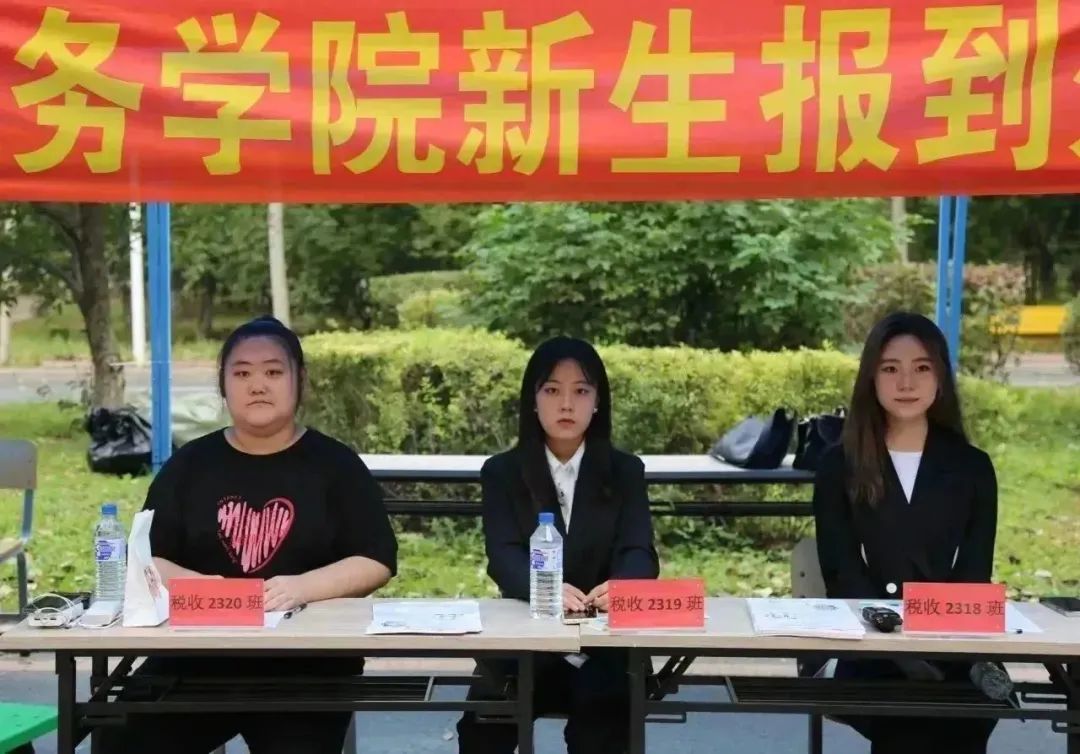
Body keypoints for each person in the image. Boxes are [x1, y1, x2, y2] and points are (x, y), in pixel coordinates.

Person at [102, 315, 398, 754]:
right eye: (242, 374)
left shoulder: (335, 465)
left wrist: (299, 588)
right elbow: (148, 557)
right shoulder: (191, 464)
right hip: (195, 660)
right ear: (223, 385)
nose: (258, 385)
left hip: (306, 665)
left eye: (273, 372)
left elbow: (376, 558)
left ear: (300, 381)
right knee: (118, 737)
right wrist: (206, 590)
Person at [456, 336, 659, 754]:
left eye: (581, 391)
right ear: (532, 401)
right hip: (526, 636)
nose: (566, 405)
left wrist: (622, 588)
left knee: (603, 725)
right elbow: (503, 556)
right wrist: (541, 588)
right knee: (483, 724)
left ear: (598, 402)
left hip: (605, 641)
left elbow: (639, 551)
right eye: (552, 390)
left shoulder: (625, 470)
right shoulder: (502, 472)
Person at [813, 312, 998, 754]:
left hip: (950, 640)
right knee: (910, 714)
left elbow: (974, 573)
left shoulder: (973, 467)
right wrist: (897, 644)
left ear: (941, 377)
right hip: (869, 638)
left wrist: (935, 642)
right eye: (891, 368)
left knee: (959, 712)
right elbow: (842, 571)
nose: (906, 383)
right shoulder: (839, 465)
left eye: (922, 367)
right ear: (871, 378)